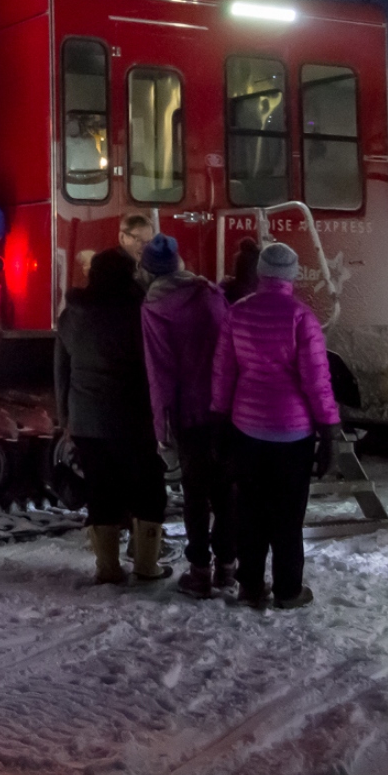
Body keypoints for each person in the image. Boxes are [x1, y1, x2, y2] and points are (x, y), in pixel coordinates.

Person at [212, 240, 340, 610]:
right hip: (292, 434)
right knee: (287, 516)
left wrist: (219, 417)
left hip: (246, 428)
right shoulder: (302, 318)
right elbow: (317, 380)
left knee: (250, 510)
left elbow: (224, 373)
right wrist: (328, 429)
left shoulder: (237, 314)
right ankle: (287, 589)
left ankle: (250, 584)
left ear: (261, 274)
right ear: (291, 276)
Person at [54, 247, 171, 585]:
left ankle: (108, 568)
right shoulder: (139, 312)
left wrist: (66, 419)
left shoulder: (72, 314)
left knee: (101, 491)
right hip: (132, 418)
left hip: (87, 420)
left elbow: (62, 370)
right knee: (149, 490)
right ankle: (147, 566)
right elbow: (153, 368)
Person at [140, 234, 235, 598]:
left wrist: (160, 425)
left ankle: (199, 571)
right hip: (224, 407)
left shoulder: (154, 308)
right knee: (226, 490)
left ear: (149, 270)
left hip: (188, 412)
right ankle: (228, 565)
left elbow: (159, 371)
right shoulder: (210, 292)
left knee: (196, 494)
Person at [222, 237, 262, 304]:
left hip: (242, 289)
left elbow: (239, 276)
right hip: (256, 286)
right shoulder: (260, 256)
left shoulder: (240, 257)